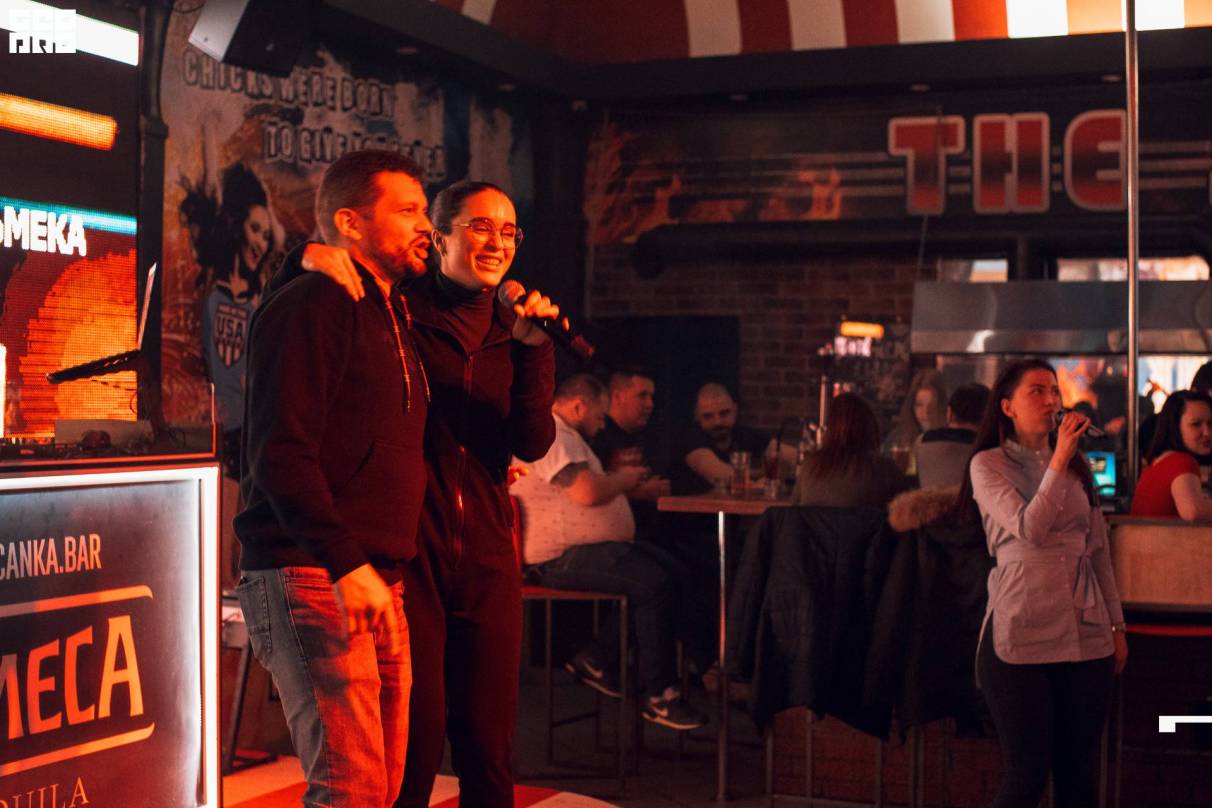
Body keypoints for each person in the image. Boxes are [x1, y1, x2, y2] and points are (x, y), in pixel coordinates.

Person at [289, 174, 558, 808]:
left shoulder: (516, 327)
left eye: (509, 231)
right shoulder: (399, 311)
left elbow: (531, 442)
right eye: (481, 226)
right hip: (413, 551)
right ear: (439, 238)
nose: (497, 242)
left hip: (489, 557)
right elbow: (316, 295)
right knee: (416, 739)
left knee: (489, 746)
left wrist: (533, 352)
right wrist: (301, 254)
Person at [233, 150, 433, 807]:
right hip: (316, 571)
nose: (425, 224)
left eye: (426, 211)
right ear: (350, 222)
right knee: (352, 789)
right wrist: (345, 562)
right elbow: (280, 452)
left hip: (373, 576)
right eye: (407, 210)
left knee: (381, 787)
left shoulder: (393, 309)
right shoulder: (316, 300)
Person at [957, 358, 1127, 808]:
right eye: (1037, 391)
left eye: (1054, 390)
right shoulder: (987, 464)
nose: (1051, 400)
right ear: (1007, 406)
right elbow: (1029, 529)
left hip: (1087, 628)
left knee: (1079, 773)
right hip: (1021, 627)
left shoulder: (1077, 466)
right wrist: (1059, 459)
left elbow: (1098, 550)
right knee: (1027, 774)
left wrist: (1117, 625)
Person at [512, 373, 708, 730]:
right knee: (654, 584)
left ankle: (598, 658)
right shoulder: (553, 434)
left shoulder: (565, 435)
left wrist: (624, 488)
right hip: (560, 557)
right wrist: (625, 479)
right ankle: (660, 694)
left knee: (675, 573)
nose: (603, 424)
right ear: (578, 406)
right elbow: (586, 493)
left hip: (583, 549)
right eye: (600, 415)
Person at [590, 368, 671, 540]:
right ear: (618, 397)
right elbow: (589, 492)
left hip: (650, 534)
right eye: (642, 395)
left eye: (651, 396)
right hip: (611, 539)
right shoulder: (598, 435)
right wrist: (638, 493)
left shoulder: (648, 435)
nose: (650, 404)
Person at [791, 392, 907, 507]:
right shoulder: (884, 470)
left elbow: (794, 511)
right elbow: (906, 510)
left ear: (830, 427)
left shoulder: (810, 466)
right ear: (870, 427)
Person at [669, 382, 772, 495]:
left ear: (735, 410)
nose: (718, 422)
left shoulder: (743, 433)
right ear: (697, 416)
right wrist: (762, 476)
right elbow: (720, 475)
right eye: (708, 416)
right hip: (691, 506)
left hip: (729, 505)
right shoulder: (690, 437)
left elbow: (783, 454)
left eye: (724, 413)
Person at [1130, 390, 1212, 520]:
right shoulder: (1181, 462)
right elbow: (1193, 512)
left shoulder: (1160, 461)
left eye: (1211, 424)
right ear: (1175, 426)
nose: (1207, 432)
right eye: (1196, 424)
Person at [914, 382, 989, 489]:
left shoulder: (922, 442)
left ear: (949, 414)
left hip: (930, 500)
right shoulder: (988, 449)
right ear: (987, 417)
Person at [883, 368, 947, 475]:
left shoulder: (952, 441)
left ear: (941, 407)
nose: (926, 412)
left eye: (932, 405)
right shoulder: (897, 439)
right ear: (911, 407)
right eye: (919, 405)